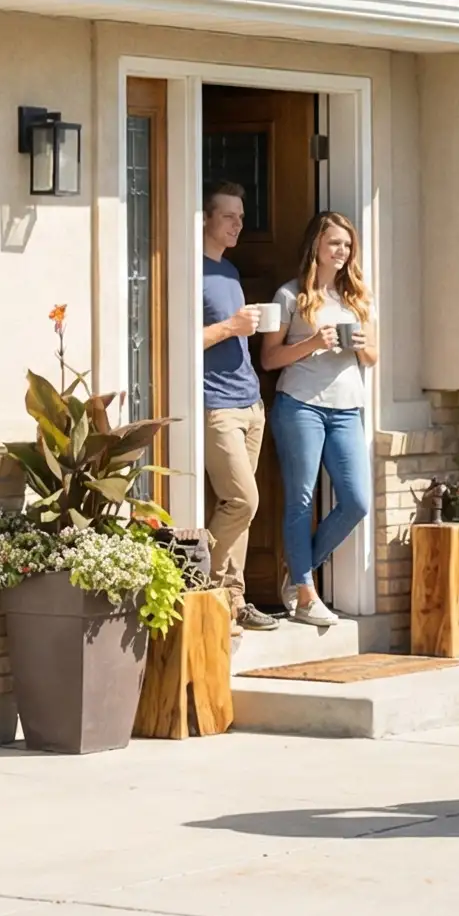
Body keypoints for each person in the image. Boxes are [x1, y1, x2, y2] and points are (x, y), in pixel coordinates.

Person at [258, 211, 379, 629]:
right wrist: (312, 342)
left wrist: (362, 346)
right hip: (300, 405)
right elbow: (270, 359)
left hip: (347, 409)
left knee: (357, 502)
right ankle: (307, 594)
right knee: (301, 499)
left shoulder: (358, 297)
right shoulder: (289, 296)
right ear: (316, 246)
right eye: (334, 244)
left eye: (347, 245)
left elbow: (374, 357)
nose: (342, 252)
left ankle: (299, 569)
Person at [196, 183, 282, 632]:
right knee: (242, 501)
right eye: (228, 216)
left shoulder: (229, 271)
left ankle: (234, 598)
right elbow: (179, 341)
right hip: (217, 404)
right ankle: (203, 588)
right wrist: (231, 326)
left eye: (241, 217)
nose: (237, 225)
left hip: (250, 401)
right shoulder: (187, 270)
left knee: (243, 510)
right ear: (205, 219)